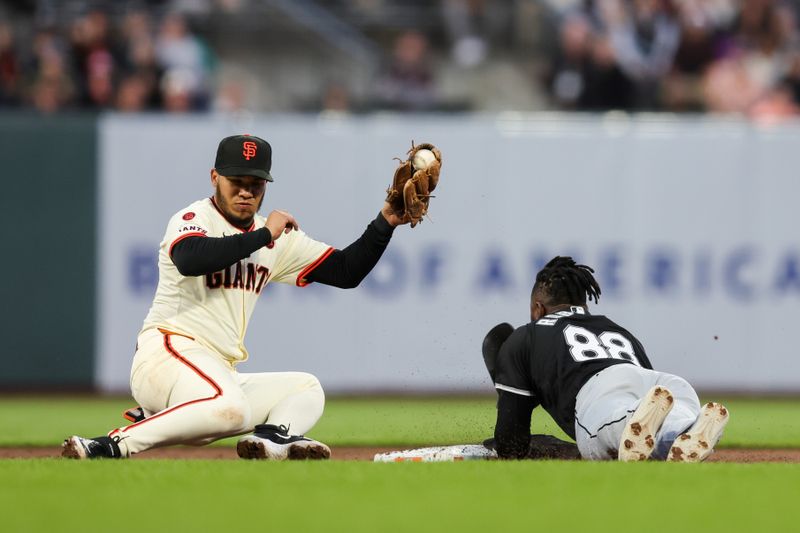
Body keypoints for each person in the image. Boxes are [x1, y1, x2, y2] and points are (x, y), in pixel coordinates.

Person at [62, 134, 411, 460]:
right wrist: (263, 234)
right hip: (166, 354)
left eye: (255, 184)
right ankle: (112, 444)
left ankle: (272, 440)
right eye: (236, 182)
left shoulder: (274, 237)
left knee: (306, 389)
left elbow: (346, 271)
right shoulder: (195, 217)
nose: (246, 192)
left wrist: (386, 222)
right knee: (232, 407)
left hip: (216, 372)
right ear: (215, 177)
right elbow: (190, 258)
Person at [484, 256, 729, 462]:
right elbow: (650, 392)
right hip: (662, 383)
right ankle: (687, 427)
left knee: (614, 430)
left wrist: (551, 447)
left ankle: (635, 420)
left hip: (600, 394)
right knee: (666, 426)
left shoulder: (527, 335)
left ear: (538, 308)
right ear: (583, 305)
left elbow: (511, 446)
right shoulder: (617, 330)